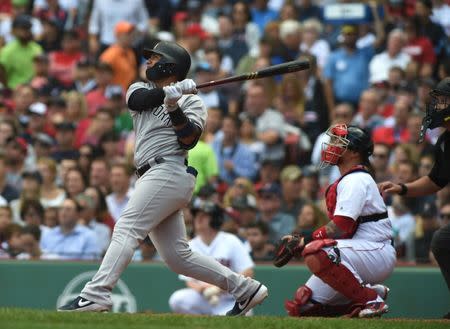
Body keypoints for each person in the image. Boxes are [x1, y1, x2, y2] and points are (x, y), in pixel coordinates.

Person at [58, 41, 268, 315]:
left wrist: (175, 105)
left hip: (169, 171)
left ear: (171, 65)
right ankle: (245, 289)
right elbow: (138, 101)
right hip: (150, 175)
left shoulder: (192, 101)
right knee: (178, 258)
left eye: (155, 59)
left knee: (127, 227)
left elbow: (189, 139)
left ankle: (96, 294)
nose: (148, 63)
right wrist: (168, 95)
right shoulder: (139, 89)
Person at [280, 124, 395, 318]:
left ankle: (370, 299)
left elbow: (342, 226)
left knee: (317, 250)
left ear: (353, 152)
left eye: (338, 142)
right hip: (359, 252)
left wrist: (304, 240)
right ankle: (361, 297)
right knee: (302, 307)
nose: (331, 146)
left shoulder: (356, 179)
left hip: (376, 250)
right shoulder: (350, 178)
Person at [379, 77, 450, 319]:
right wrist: (402, 188)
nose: (436, 107)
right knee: (442, 241)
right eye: (437, 101)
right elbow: (435, 181)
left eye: (443, 101)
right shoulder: (445, 142)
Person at [169, 198, 255, 315]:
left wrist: (221, 288)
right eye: (197, 215)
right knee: (177, 299)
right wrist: (202, 289)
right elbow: (188, 280)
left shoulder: (230, 240)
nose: (198, 219)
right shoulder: (189, 245)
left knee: (245, 314)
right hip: (204, 298)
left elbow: (248, 271)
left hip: (230, 299)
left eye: (204, 216)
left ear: (215, 219)